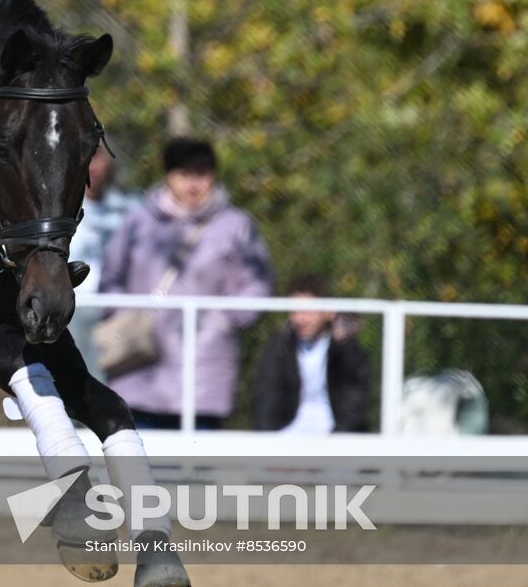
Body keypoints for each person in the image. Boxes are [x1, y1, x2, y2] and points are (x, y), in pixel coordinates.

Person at [97, 137, 273, 430]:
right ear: (168, 176)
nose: (193, 185)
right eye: (183, 175)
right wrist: (130, 315)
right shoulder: (138, 222)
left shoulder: (236, 226)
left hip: (204, 371)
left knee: (196, 473)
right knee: (138, 467)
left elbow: (258, 284)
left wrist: (224, 320)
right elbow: (111, 279)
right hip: (140, 367)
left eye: (202, 174)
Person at [252, 274, 371, 433]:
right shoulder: (280, 346)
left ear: (328, 311)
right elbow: (267, 397)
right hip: (287, 435)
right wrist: (268, 437)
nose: (300, 318)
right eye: (294, 311)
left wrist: (341, 439)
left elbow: (353, 399)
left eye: (307, 311)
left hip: (335, 439)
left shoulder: (344, 347)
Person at [67, 144, 140, 367]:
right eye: (85, 156)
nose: (92, 165)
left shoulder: (132, 207)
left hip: (118, 309)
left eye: (97, 157)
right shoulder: (57, 209)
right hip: (72, 307)